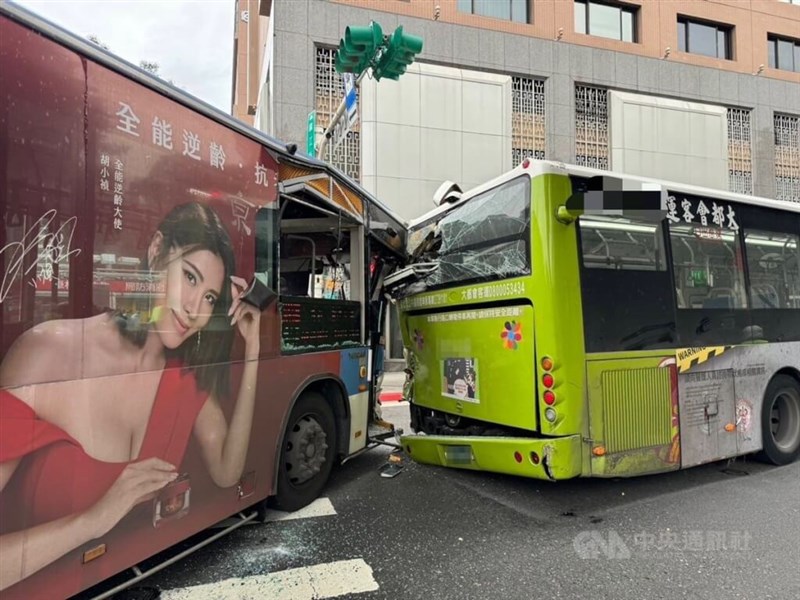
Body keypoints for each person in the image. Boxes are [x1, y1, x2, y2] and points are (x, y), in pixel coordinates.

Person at [0, 201, 261, 591]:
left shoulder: (185, 378)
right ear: (157, 251)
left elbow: (227, 472)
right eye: (189, 277)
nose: (193, 309)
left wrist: (254, 350)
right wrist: (92, 520)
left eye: (210, 297)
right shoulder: (47, 354)